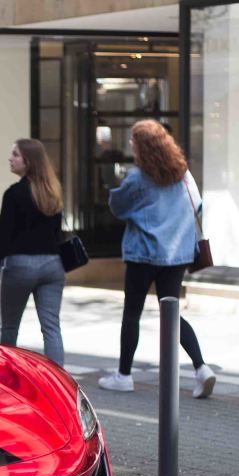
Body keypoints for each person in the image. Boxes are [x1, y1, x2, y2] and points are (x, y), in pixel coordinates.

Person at [99, 119, 215, 398]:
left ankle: (124, 375)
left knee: (132, 312)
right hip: (176, 254)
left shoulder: (138, 177)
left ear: (143, 147)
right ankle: (201, 368)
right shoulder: (182, 173)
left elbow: (117, 206)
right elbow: (197, 205)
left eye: (133, 141)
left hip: (144, 253)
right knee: (171, 314)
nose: (129, 144)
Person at [0, 139, 66, 365]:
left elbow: (3, 238)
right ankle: (60, 381)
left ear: (28, 161)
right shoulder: (53, 191)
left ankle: (6, 376)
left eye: (15, 155)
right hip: (53, 265)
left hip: (20, 265)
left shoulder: (14, 194)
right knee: (51, 327)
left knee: (9, 326)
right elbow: (57, 234)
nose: (10, 158)